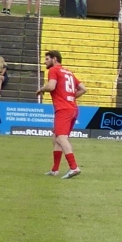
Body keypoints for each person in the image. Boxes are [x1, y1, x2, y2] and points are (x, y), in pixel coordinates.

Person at [39, 49, 85, 178]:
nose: (45, 62)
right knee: (56, 137)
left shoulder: (54, 70)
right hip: (73, 108)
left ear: (54, 59)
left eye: (47, 59)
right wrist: (70, 97)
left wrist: (41, 89)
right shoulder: (68, 72)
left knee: (61, 138)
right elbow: (83, 89)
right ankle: (55, 169)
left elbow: (51, 86)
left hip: (63, 109)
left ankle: (74, 167)